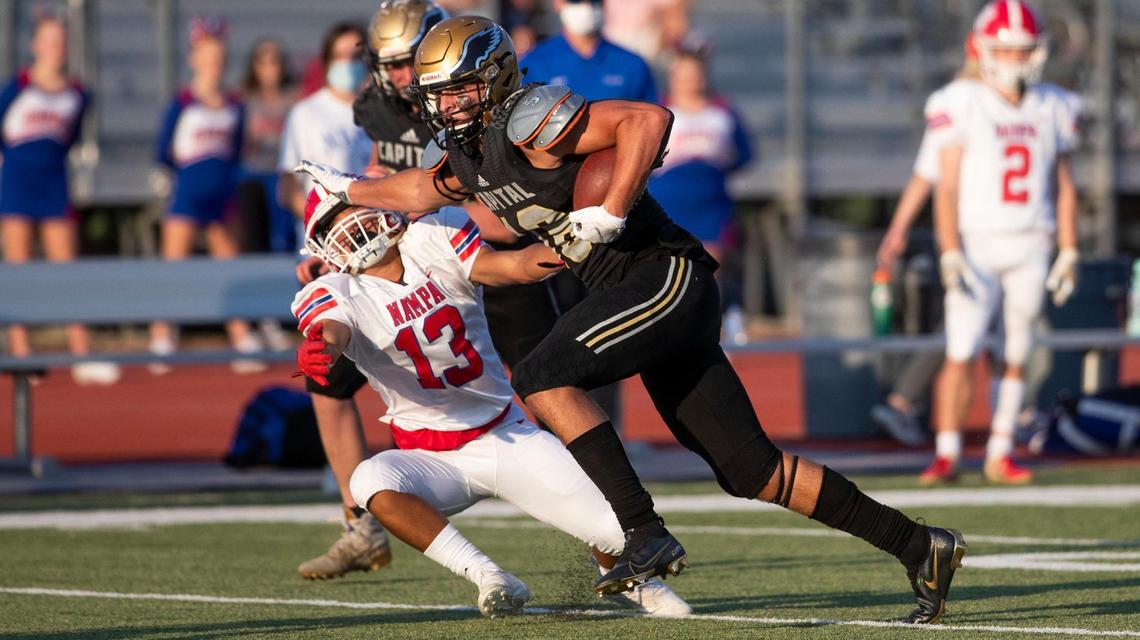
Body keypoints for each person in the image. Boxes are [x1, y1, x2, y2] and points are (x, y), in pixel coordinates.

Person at [298, 16, 966, 624]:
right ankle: (919, 545)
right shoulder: (472, 155)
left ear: (493, 80)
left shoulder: (529, 115)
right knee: (752, 471)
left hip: (659, 274)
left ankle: (641, 532)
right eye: (439, 94)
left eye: (458, 91)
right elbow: (417, 189)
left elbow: (647, 119)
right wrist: (344, 188)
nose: (445, 105)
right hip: (633, 289)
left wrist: (612, 205)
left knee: (541, 374)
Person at [292, 187, 691, 617]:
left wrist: (565, 248)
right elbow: (330, 329)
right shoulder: (336, 290)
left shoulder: (431, 237)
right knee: (368, 480)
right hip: (430, 460)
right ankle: (489, 576)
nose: (353, 227)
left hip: (505, 435)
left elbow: (511, 266)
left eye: (353, 213)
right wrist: (323, 350)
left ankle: (630, 582)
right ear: (323, 244)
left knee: (620, 534)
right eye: (335, 224)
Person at [924, 0, 1080, 486]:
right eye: (1006, 49)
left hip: (1033, 238)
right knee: (962, 346)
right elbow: (945, 185)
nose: (1016, 59)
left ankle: (999, 450)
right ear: (984, 49)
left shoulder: (1055, 103)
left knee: (1017, 349)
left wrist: (1069, 247)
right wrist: (949, 248)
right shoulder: (960, 100)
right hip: (978, 240)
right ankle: (947, 452)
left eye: (1024, 49)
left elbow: (1064, 183)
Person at [276, 20, 383, 581]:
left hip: (406, 256)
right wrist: (323, 233)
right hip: (342, 258)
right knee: (327, 378)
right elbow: (292, 182)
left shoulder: (388, 109)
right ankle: (359, 520)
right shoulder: (311, 112)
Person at [871, 35, 981, 448]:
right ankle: (906, 401)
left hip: (1004, 232)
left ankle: (1010, 419)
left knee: (987, 324)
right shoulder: (960, 102)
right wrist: (898, 228)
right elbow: (927, 171)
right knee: (963, 322)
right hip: (968, 232)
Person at [0, 15, 119, 385]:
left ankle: (81, 352)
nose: (55, 46)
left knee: (66, 271)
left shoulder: (77, 93)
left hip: (54, 185)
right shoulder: (15, 88)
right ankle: (21, 353)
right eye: (48, 39)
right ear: (35, 45)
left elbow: (68, 138)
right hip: (17, 184)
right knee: (18, 270)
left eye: (61, 39)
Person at [151, 16, 264, 374]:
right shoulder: (182, 101)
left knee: (228, 267)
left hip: (222, 194)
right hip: (187, 193)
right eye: (207, 58)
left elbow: (235, 150)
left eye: (220, 59)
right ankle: (162, 335)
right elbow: (163, 150)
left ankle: (241, 335)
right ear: (194, 60)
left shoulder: (234, 104)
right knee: (174, 267)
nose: (214, 66)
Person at [647, 34, 752, 344]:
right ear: (673, 75)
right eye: (685, 74)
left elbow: (744, 154)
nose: (692, 80)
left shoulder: (722, 110)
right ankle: (672, 336)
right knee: (670, 273)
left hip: (711, 205)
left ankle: (709, 335)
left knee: (709, 270)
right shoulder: (658, 110)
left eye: (697, 74)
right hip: (667, 203)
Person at [521, 0, 657, 103]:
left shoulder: (633, 65)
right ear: (558, 2)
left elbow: (650, 124)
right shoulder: (532, 64)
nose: (586, 5)